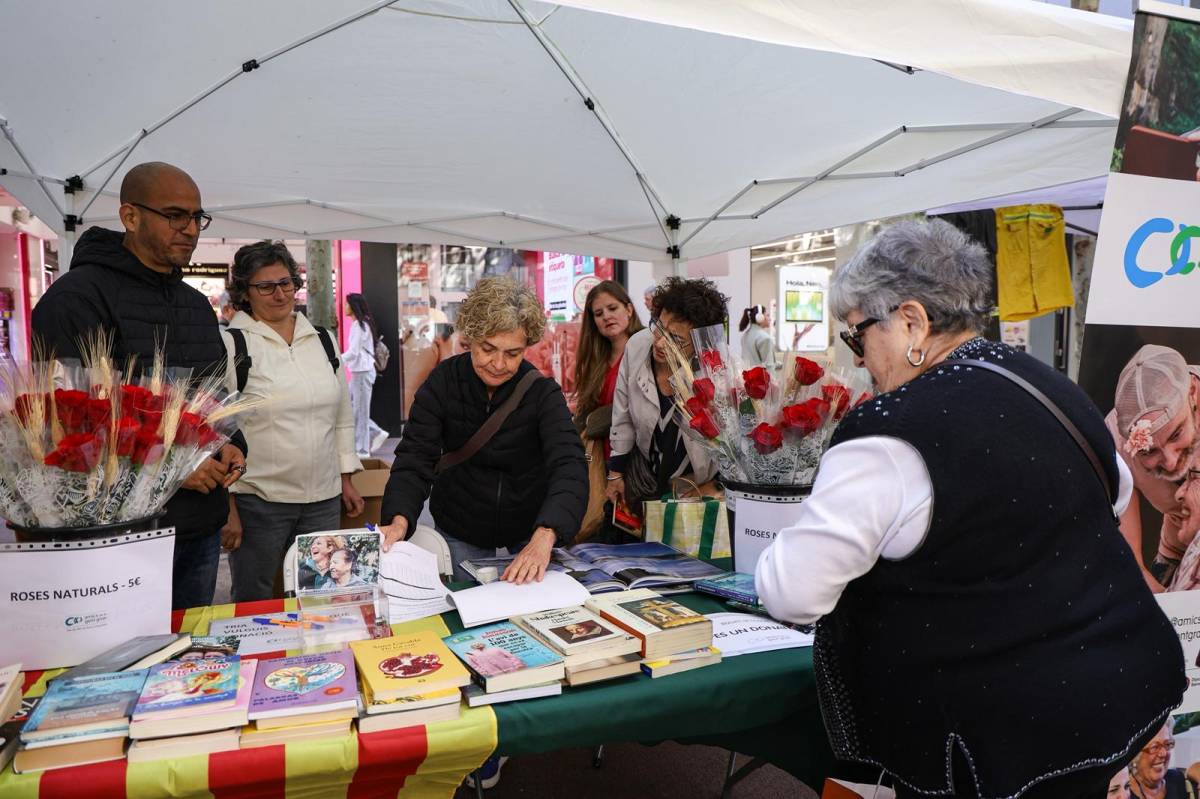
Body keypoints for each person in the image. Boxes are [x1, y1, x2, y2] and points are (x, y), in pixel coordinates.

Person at [754, 219, 1185, 798]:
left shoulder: (888, 432)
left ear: (912, 321)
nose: (858, 360)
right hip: (1112, 694)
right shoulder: (1049, 383)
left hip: (994, 739)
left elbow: (791, 593)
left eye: (858, 336)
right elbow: (1115, 495)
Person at [30, 161, 247, 611]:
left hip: (198, 527)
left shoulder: (195, 306)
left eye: (197, 217)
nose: (190, 229)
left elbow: (209, 399)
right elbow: (67, 424)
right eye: (175, 216)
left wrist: (228, 443)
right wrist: (172, 468)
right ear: (130, 216)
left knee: (189, 651)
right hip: (116, 535)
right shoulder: (77, 298)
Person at [378, 276, 588, 585]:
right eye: (488, 349)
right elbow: (415, 456)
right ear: (471, 338)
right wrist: (399, 519)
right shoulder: (443, 382)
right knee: (464, 602)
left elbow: (569, 465)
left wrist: (547, 532)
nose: (499, 364)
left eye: (513, 353)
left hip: (529, 530)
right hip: (460, 527)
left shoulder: (541, 392)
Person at [221, 240, 364, 602]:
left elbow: (341, 415)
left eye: (285, 283)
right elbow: (218, 431)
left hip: (323, 499)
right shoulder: (232, 344)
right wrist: (228, 506)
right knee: (255, 599)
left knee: (321, 598)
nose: (279, 294)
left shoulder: (323, 340)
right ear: (245, 291)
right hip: (259, 501)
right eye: (265, 286)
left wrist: (345, 478)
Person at [605, 277, 723, 519]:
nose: (660, 343)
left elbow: (735, 444)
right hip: (646, 480)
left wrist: (717, 485)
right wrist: (615, 473)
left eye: (675, 339)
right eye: (659, 327)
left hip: (695, 491)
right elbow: (622, 413)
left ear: (699, 345)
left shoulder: (717, 372)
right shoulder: (637, 347)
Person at [1107, 345, 1200, 592]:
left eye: (1176, 434)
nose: (1170, 462)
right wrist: (1167, 607)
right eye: (1148, 452)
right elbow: (1131, 566)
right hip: (1174, 547)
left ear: (1193, 392)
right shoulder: (1114, 441)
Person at [573, 281, 644, 538]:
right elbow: (587, 411)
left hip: (635, 464)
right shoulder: (596, 359)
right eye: (598, 313)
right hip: (601, 462)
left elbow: (639, 408)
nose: (606, 317)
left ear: (629, 309)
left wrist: (596, 419)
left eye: (612, 308)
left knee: (633, 535)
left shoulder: (645, 350)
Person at [342, 293, 389, 458]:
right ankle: (375, 432)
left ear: (354, 306)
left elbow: (353, 352)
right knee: (351, 408)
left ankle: (362, 449)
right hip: (360, 372)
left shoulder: (359, 325)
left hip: (362, 373)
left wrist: (336, 360)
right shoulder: (363, 324)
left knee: (360, 412)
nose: (345, 307)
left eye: (347, 304)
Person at [1129, 722, 1197, 798]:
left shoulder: (1176, 780)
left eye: (1167, 744)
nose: (1164, 753)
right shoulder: (1123, 794)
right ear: (1135, 754)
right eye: (1154, 747)